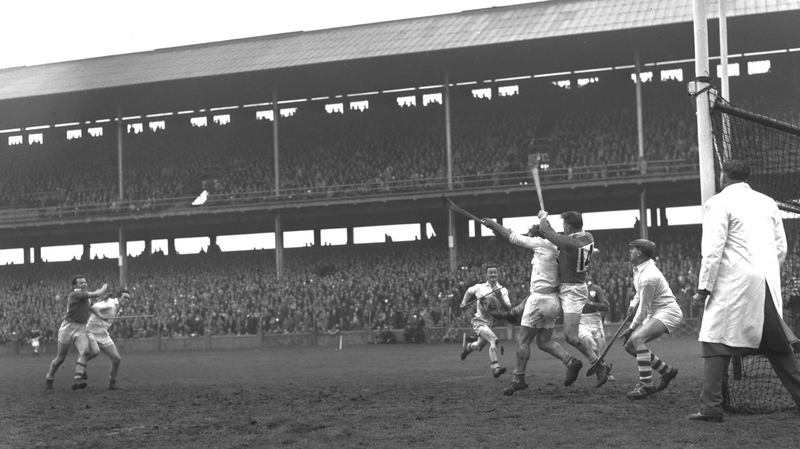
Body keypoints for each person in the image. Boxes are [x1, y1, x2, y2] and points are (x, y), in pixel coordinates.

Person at [689, 160, 800, 422]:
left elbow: (713, 250)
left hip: (733, 284)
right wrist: (765, 270)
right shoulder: (768, 201)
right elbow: (781, 248)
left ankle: (711, 408)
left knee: (715, 341)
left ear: (723, 176)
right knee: (777, 345)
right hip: (766, 282)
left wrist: (703, 288)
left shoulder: (718, 202)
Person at [482, 219, 584, 395]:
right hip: (553, 301)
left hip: (539, 299)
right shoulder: (560, 246)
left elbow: (514, 237)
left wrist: (493, 224)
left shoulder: (540, 242)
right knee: (543, 341)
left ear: (537, 235)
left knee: (523, 341)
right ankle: (570, 361)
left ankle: (518, 379)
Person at [538, 210, 611, 387]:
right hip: (572, 286)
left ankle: (599, 365)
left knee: (571, 336)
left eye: (564, 226)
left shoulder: (569, 243)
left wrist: (543, 218)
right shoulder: (589, 237)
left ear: (569, 226)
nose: (563, 228)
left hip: (572, 291)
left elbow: (546, 231)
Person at [620, 239, 682, 400]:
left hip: (667, 312)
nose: (630, 252)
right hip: (655, 312)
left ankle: (646, 384)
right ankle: (666, 371)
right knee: (630, 346)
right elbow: (639, 295)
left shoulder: (649, 275)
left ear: (639, 253)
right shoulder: (639, 270)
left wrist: (632, 327)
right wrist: (633, 304)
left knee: (638, 338)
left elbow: (645, 308)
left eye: (632, 250)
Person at [45, 275, 108, 390]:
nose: (84, 284)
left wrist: (101, 316)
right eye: (80, 283)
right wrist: (104, 288)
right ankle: (50, 377)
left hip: (81, 328)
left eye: (85, 282)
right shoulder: (75, 294)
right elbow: (98, 294)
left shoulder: (86, 297)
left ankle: (77, 379)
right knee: (60, 358)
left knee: (84, 352)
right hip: (68, 328)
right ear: (75, 285)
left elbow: (91, 307)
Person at [459, 264, 511, 379]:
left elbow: (508, 308)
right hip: (479, 322)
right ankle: (495, 367)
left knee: (479, 346)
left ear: (497, 274)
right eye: (490, 272)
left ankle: (468, 348)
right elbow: (468, 291)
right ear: (486, 275)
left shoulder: (503, 290)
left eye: (494, 272)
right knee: (494, 339)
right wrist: (463, 302)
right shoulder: (480, 287)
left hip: (491, 324)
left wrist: (500, 298)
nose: (493, 274)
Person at [82, 289, 131, 390]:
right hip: (91, 331)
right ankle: (81, 363)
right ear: (118, 297)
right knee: (95, 352)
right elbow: (92, 307)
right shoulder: (110, 303)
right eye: (125, 297)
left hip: (103, 334)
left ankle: (112, 384)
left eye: (128, 299)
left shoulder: (119, 308)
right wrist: (100, 315)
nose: (127, 300)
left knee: (117, 359)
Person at [579, 271, 615, 381]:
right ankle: (605, 370)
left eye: (585, 274)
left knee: (601, 352)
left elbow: (606, 306)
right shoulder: (575, 290)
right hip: (581, 322)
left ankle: (603, 372)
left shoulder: (596, 289)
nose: (583, 276)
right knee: (593, 347)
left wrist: (591, 303)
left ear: (588, 276)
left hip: (596, 322)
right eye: (581, 274)